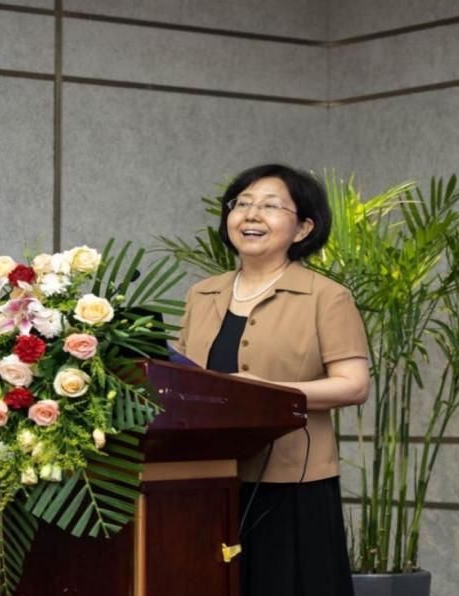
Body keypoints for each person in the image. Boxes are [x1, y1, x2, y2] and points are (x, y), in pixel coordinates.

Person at [173, 164, 370, 596]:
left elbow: (354, 384)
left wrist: (266, 395)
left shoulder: (326, 297)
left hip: (292, 482)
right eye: (242, 203)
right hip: (206, 475)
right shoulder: (201, 294)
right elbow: (182, 379)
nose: (251, 214)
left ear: (303, 228)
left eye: (269, 206)